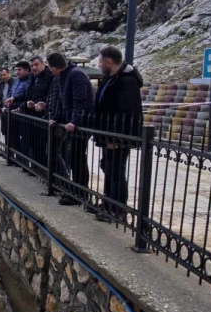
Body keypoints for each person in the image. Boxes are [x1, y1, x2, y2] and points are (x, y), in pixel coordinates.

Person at [92, 45, 144, 221]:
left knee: (116, 171)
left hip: (118, 137)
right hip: (108, 135)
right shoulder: (111, 78)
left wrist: (116, 138)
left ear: (109, 61)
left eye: (100, 61)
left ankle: (118, 209)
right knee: (108, 167)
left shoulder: (127, 80)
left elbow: (126, 112)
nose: (99, 65)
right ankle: (108, 202)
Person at [48, 52, 94, 205]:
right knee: (74, 157)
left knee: (78, 158)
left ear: (54, 67)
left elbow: (79, 101)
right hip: (72, 124)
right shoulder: (63, 76)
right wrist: (56, 117)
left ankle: (81, 193)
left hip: (81, 125)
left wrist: (74, 121)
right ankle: (76, 190)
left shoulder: (75, 75)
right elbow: (62, 101)